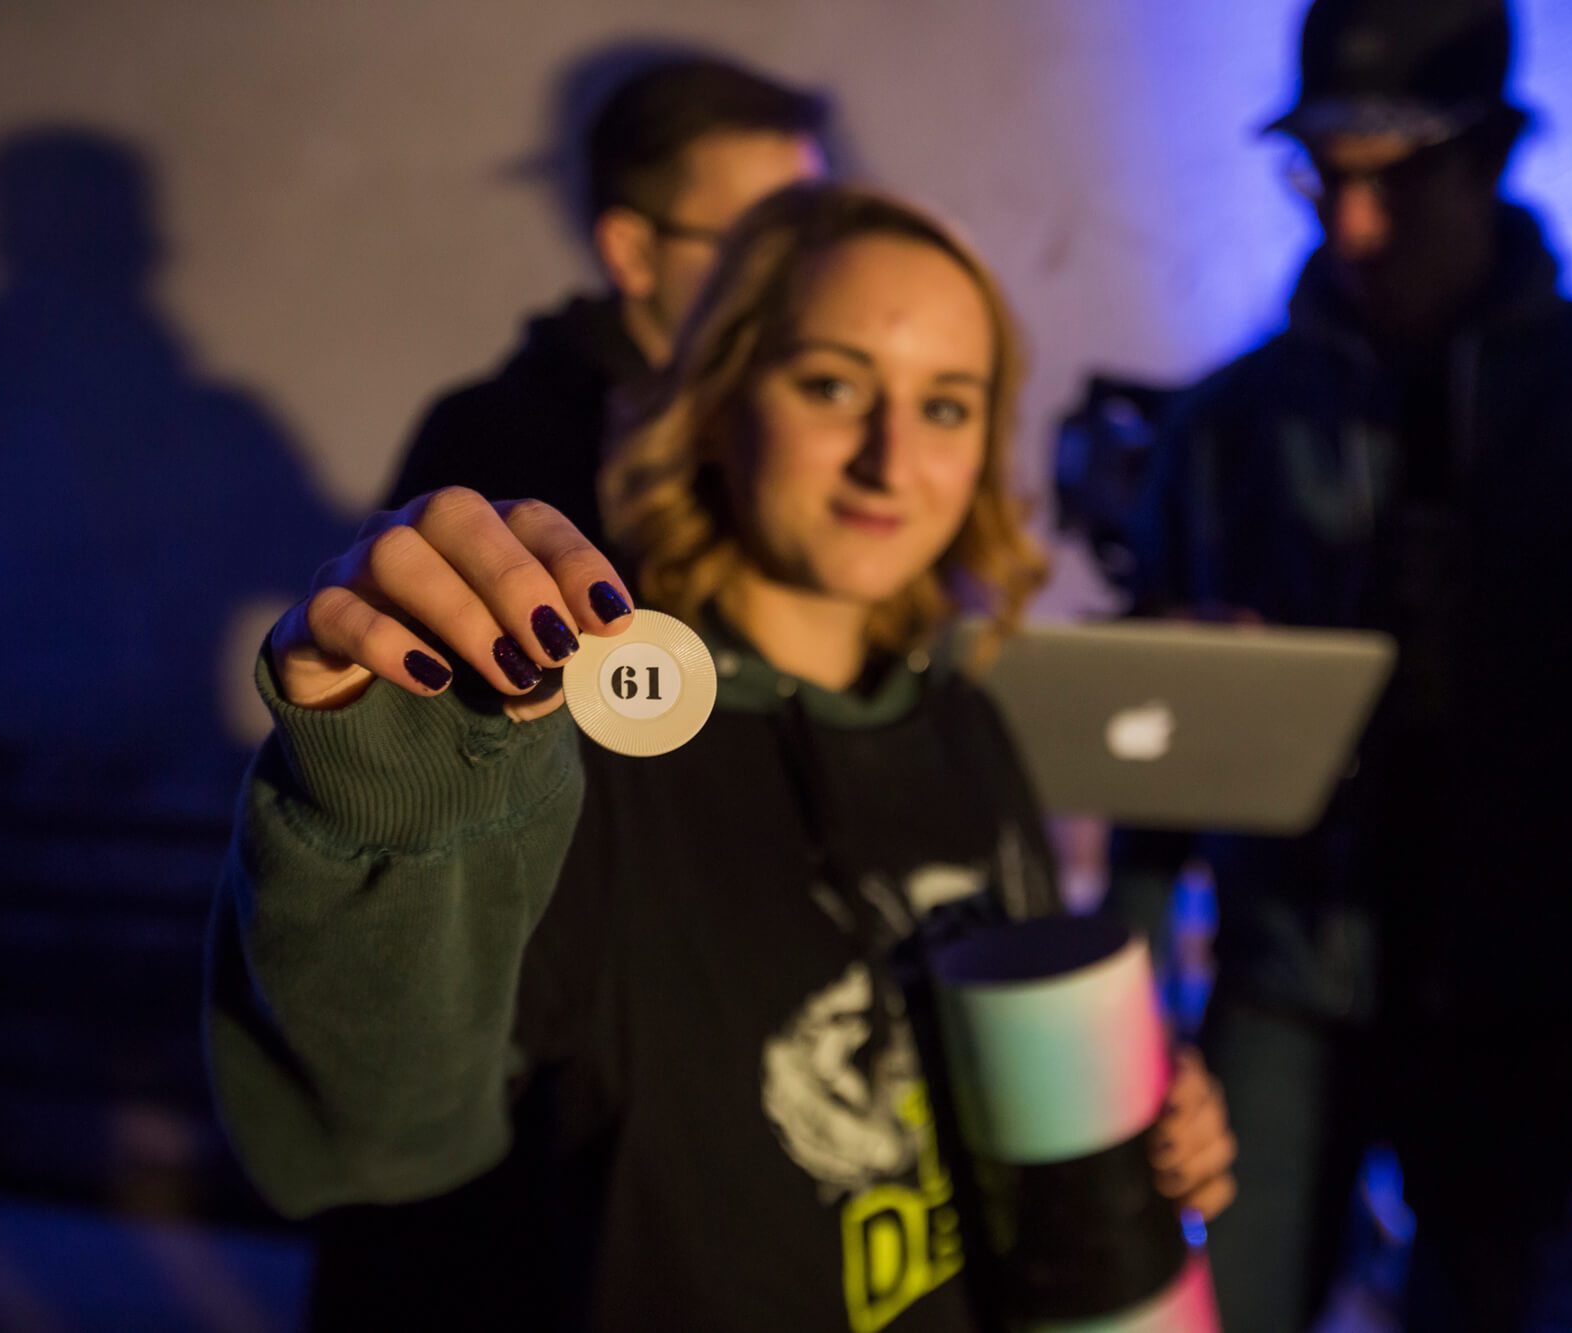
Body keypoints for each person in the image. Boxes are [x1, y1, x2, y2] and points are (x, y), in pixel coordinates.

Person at [209, 183, 1238, 1332]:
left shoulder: (959, 720)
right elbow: (372, 1145)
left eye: (946, 407)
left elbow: (1004, 1061)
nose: (889, 460)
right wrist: (384, 803)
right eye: (832, 386)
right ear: (714, 399)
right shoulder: (573, 745)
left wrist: (1128, 1103)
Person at [1113, 0, 1572, 1329]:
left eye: (1394, 179)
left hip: (1540, 986)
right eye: (1321, 176)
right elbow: (1144, 743)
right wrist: (1129, 991)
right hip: (1286, 973)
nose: (1350, 225)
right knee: (1216, 1298)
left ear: (1490, 156)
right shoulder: (1224, 428)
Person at [381, 55, 830, 541]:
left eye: (819, 238)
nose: (804, 270)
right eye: (755, 244)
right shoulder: (495, 441)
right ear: (630, 252)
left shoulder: (801, 418)